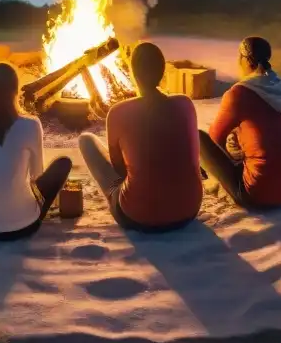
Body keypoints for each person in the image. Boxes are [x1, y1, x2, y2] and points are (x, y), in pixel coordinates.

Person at [78, 42, 203, 232]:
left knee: (86, 140)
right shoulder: (185, 104)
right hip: (189, 209)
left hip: (138, 216)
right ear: (162, 71)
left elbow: (119, 168)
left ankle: (126, 196)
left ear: (133, 72)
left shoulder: (119, 112)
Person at [0, 63, 73, 240]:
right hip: (21, 225)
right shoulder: (30, 125)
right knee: (63, 164)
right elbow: (36, 174)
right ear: (15, 91)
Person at [199, 36, 281, 208]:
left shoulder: (240, 93)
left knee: (199, 139)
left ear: (244, 59)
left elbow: (215, 139)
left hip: (259, 194)